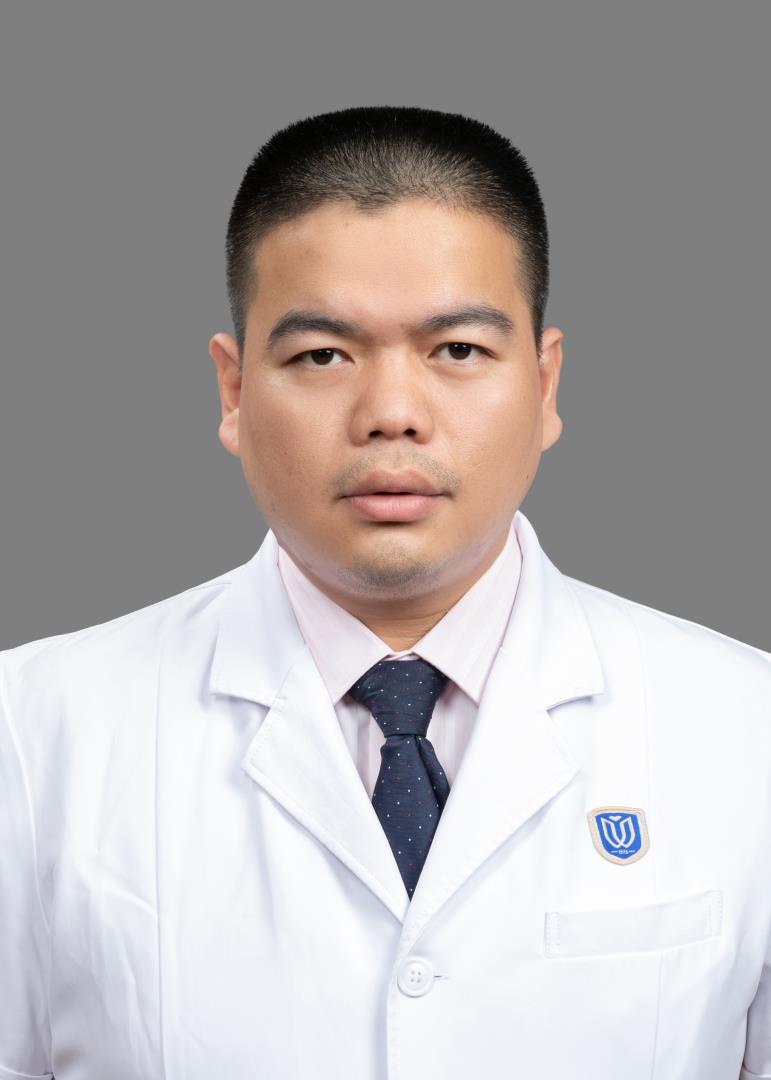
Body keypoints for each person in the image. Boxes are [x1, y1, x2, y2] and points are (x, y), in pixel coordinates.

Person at [1, 104, 770, 1080]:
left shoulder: (746, 729)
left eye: (458, 351)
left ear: (545, 385)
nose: (392, 414)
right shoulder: (33, 733)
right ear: (233, 391)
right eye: (322, 355)